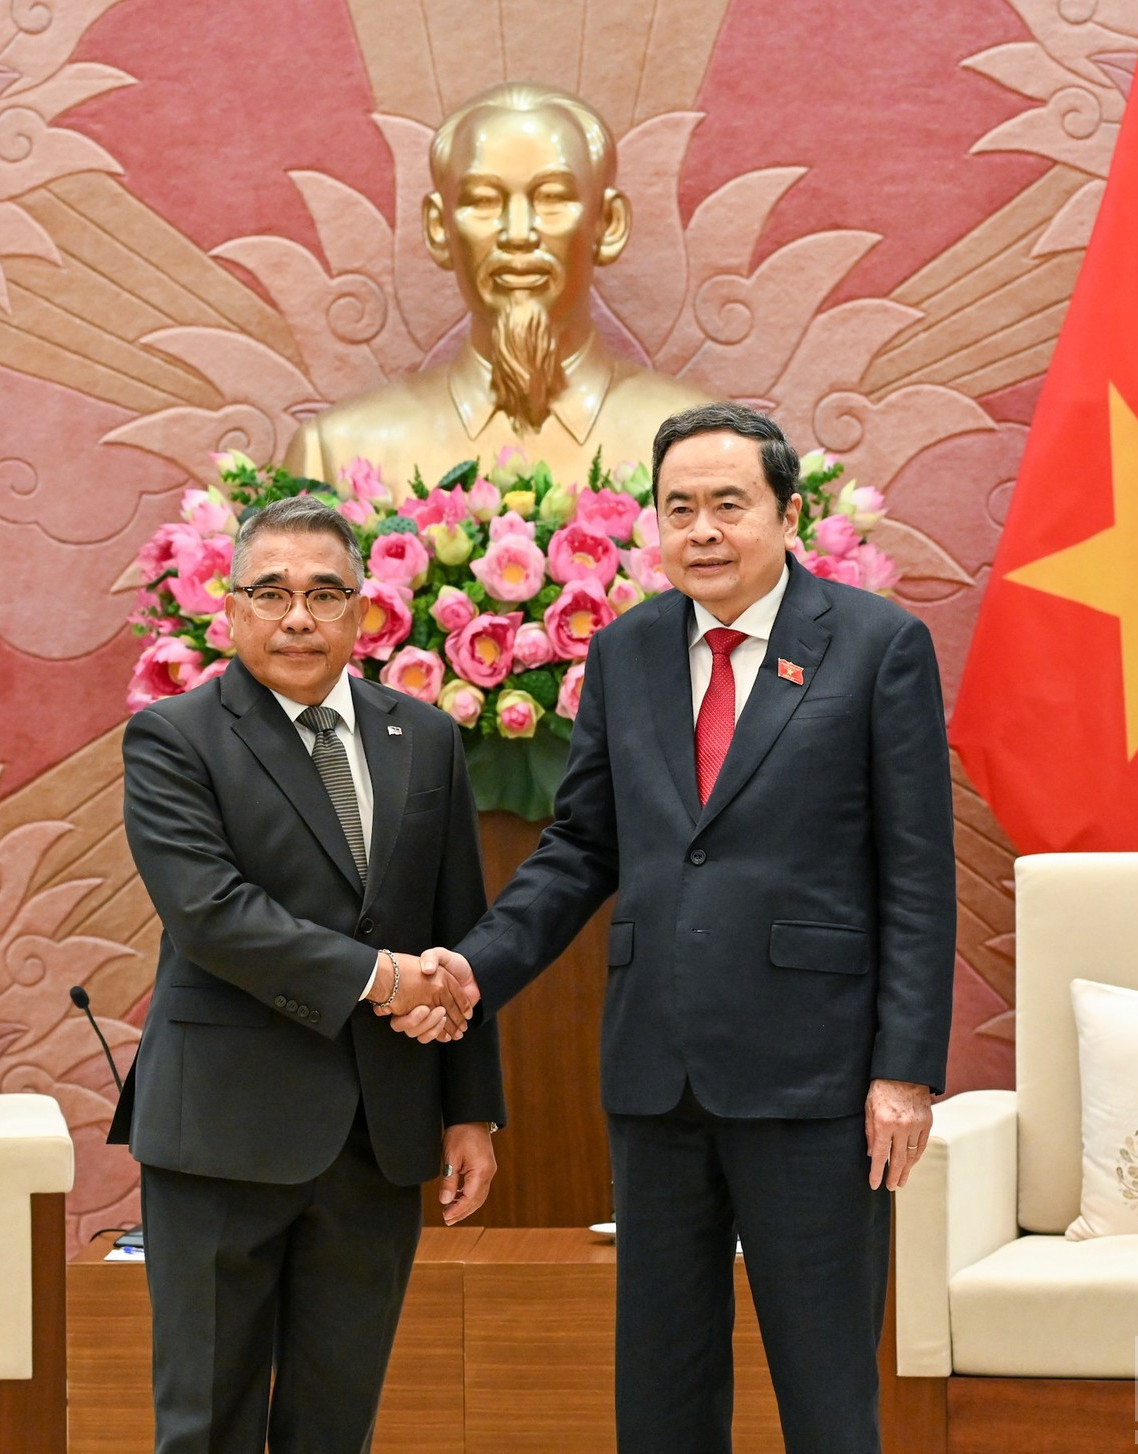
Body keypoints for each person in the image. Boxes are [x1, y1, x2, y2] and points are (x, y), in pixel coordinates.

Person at [419, 402, 955, 1454]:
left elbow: (916, 873)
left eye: (726, 504)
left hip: (816, 1077)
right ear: (651, 524)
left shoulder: (875, 645)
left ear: (785, 512)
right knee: (661, 1385)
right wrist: (472, 966)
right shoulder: (625, 651)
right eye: (677, 507)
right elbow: (581, 847)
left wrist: (903, 1071)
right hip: (657, 1073)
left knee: (825, 1382)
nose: (701, 528)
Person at [108, 494, 506, 1454]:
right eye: (273, 592)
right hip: (221, 1134)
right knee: (207, 1423)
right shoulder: (175, 738)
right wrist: (380, 980)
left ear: (366, 614)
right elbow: (212, 915)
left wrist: (469, 1110)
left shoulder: (426, 738)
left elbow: (461, 930)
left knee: (337, 1426)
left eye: (325, 594)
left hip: (378, 1133)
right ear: (231, 608)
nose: (298, 616)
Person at [282, 82, 714, 492]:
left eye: (552, 198)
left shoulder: (713, 452)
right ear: (438, 227)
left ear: (609, 224)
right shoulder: (337, 455)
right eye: (483, 201)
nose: (518, 233)